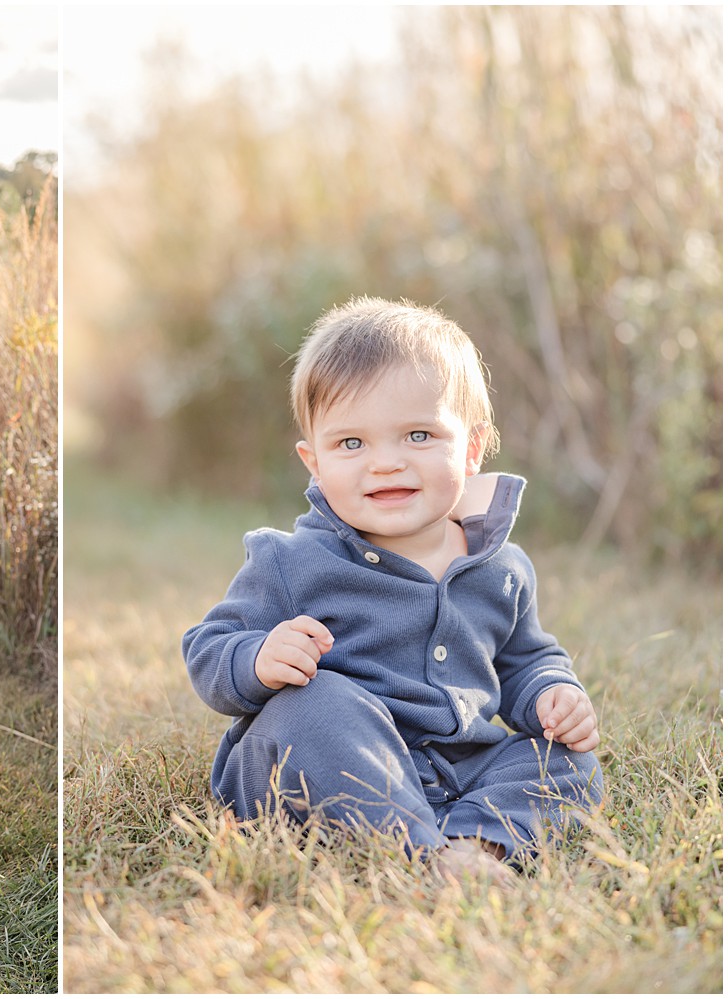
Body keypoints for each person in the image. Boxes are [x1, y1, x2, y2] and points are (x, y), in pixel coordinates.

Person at [182, 297, 603, 881]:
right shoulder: (293, 559)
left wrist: (550, 694)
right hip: (319, 769)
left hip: (457, 772)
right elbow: (208, 646)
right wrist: (257, 658)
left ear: (472, 449)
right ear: (315, 463)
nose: (385, 463)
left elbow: (522, 659)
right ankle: (422, 854)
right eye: (351, 444)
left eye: (418, 435)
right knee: (315, 703)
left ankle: (471, 845)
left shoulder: (501, 566)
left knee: (569, 759)